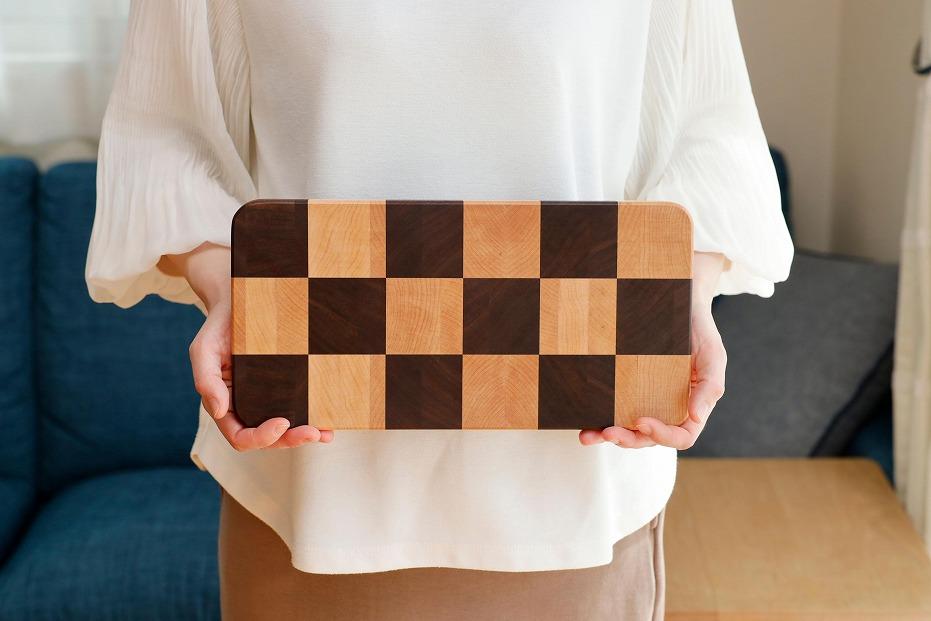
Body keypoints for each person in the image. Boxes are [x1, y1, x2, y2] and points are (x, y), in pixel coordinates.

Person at [86, 1, 793, 619]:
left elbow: (711, 138)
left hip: (574, 493)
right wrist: (228, 290)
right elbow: (162, 137)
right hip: (314, 489)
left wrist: (684, 296)